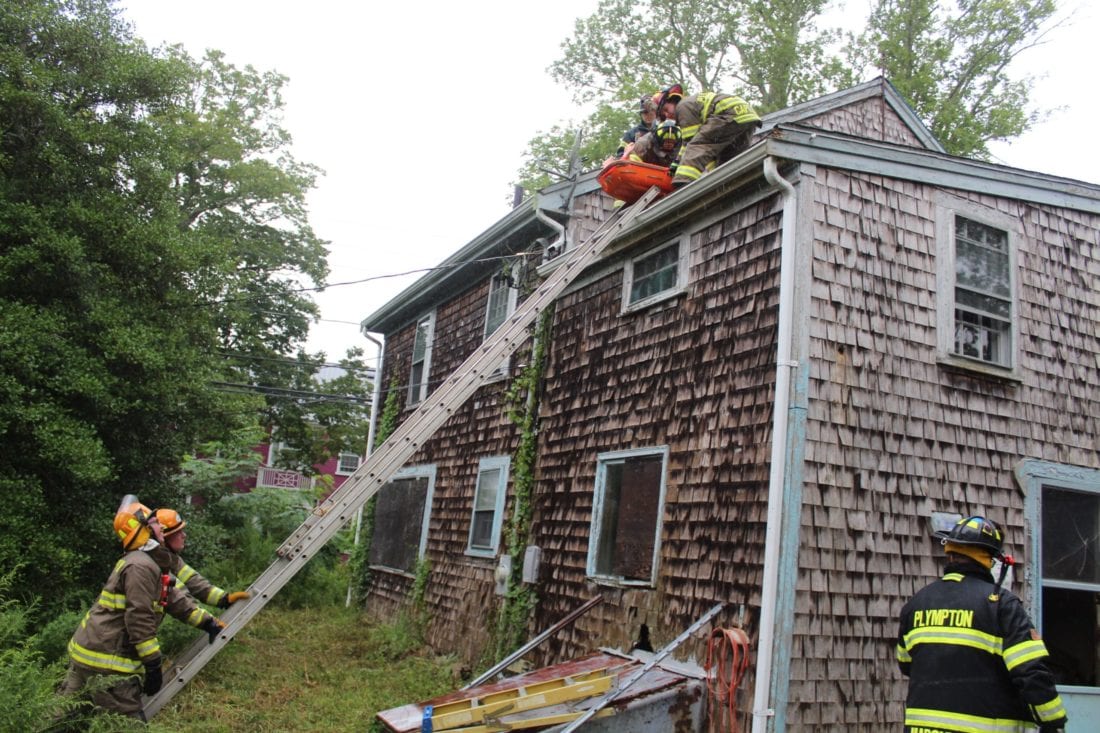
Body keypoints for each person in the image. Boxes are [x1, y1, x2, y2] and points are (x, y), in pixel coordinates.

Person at [58, 496, 227, 721]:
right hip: (109, 663)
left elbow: (172, 599)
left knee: (59, 719)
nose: (160, 526)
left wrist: (207, 622)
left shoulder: (146, 562)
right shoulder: (141, 566)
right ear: (143, 529)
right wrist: (153, 665)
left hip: (89, 653)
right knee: (126, 724)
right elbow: (140, 618)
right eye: (155, 523)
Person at [896, 516, 1068, 732]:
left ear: (950, 553)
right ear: (989, 559)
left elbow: (905, 663)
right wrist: (1054, 721)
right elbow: (1031, 671)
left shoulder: (916, 604)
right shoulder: (1001, 606)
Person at [653, 84, 762, 188]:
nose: (667, 115)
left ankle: (684, 182)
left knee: (699, 146)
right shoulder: (692, 102)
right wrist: (676, 163)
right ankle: (730, 182)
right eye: (664, 114)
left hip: (728, 114)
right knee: (729, 158)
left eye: (666, 110)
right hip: (748, 116)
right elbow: (688, 144)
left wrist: (681, 173)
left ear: (673, 100)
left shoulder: (682, 106)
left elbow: (693, 143)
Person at [155, 507, 251, 609]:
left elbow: (194, 582)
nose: (184, 535)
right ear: (164, 538)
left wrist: (224, 599)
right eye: (178, 532)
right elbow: (180, 599)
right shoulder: (155, 564)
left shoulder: (170, 558)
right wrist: (208, 623)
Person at [614, 95, 659, 159]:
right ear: (641, 114)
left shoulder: (662, 130)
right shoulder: (631, 133)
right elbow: (620, 155)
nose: (648, 115)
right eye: (645, 113)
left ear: (656, 113)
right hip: (637, 166)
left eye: (651, 113)